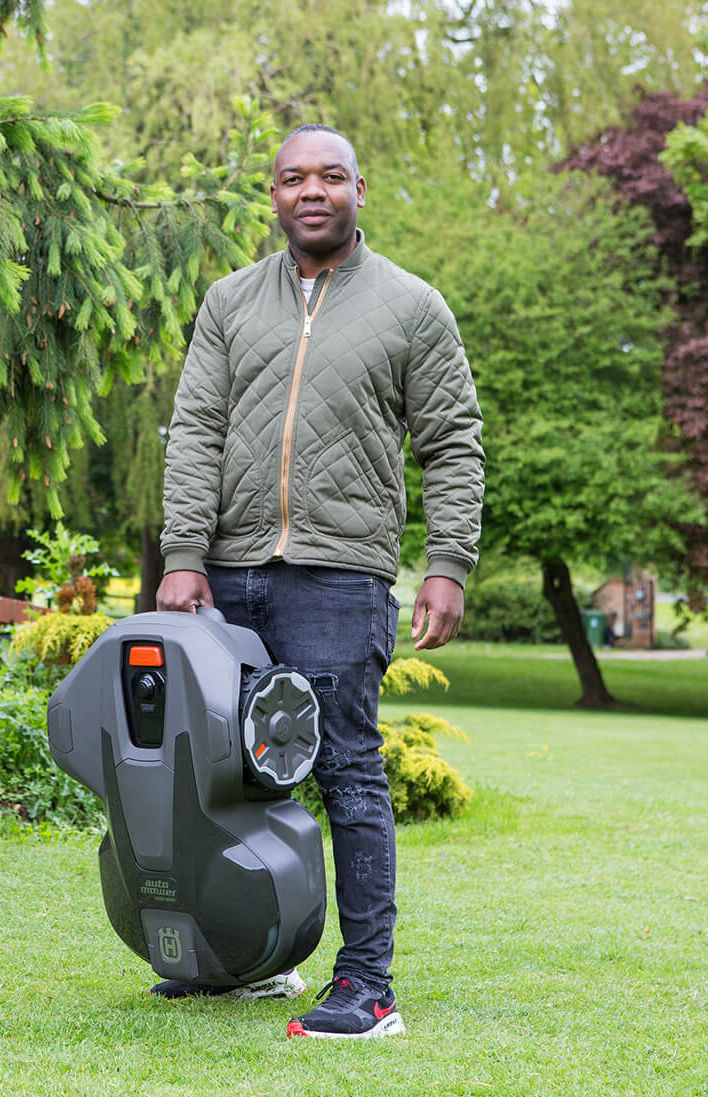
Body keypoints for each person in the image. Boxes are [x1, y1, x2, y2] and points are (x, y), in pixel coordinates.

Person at [153, 124, 484, 1039]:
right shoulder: (228, 302)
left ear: (358, 190)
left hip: (340, 577)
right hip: (231, 571)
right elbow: (196, 432)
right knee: (225, 776)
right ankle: (250, 960)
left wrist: (447, 562)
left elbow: (453, 441)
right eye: (295, 177)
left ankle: (366, 987)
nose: (312, 191)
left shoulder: (414, 307)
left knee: (343, 772)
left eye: (330, 176)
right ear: (274, 197)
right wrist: (184, 556)